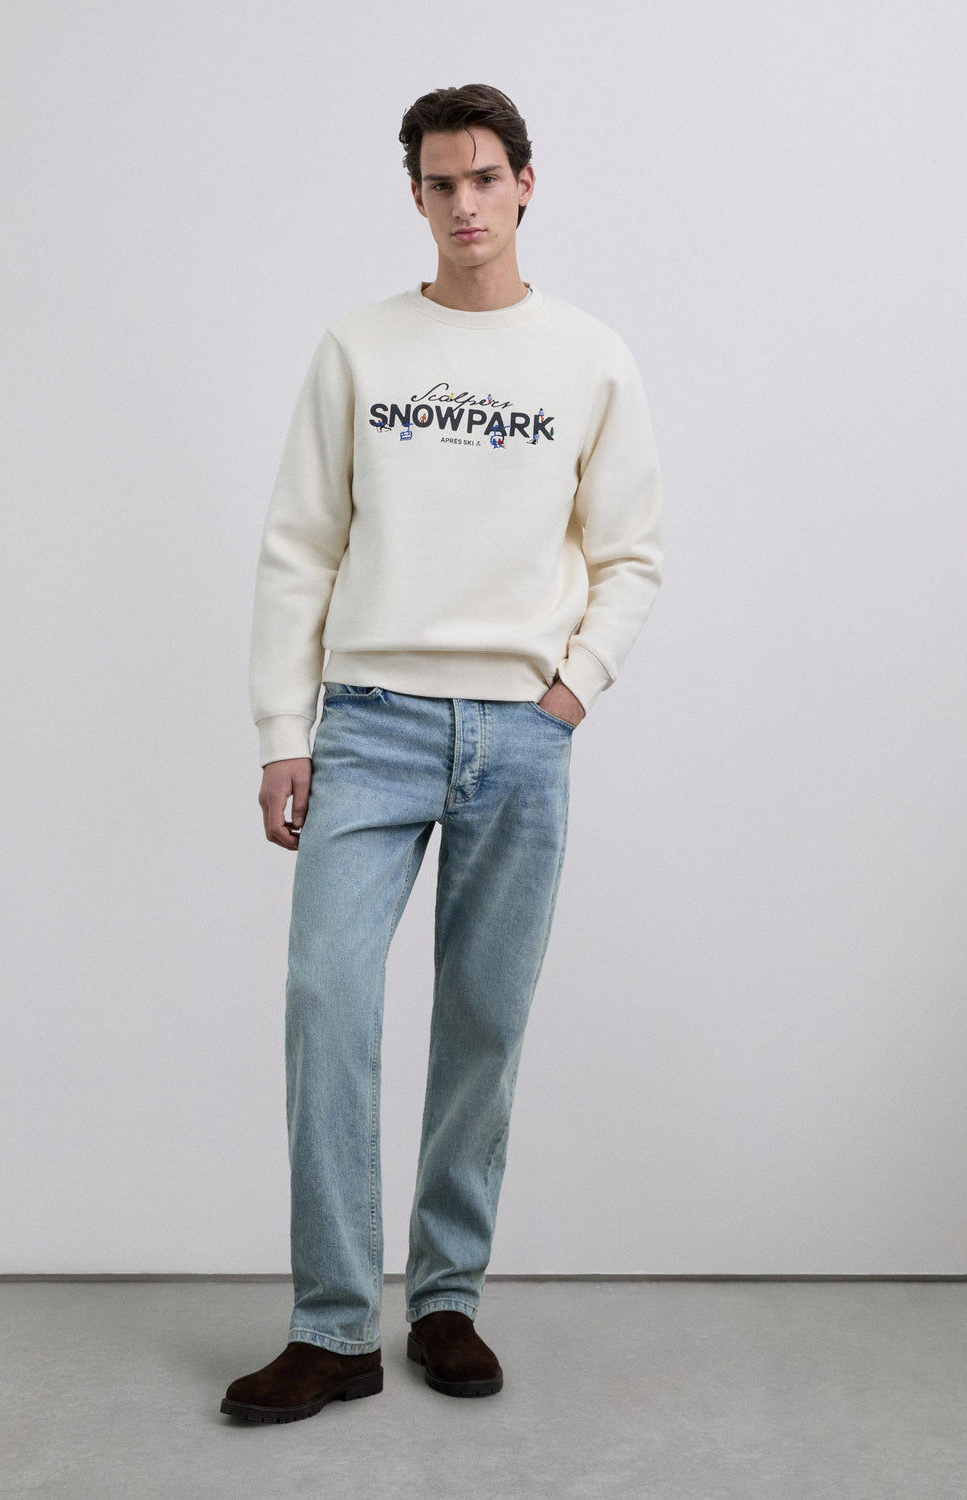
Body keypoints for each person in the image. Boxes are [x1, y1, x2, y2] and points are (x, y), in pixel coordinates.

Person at [221, 82, 663, 1425]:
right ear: (414, 195)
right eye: (438, 182)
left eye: (483, 177)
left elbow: (631, 555)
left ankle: (446, 1300)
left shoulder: (588, 358)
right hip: (368, 721)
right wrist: (283, 730)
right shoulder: (359, 349)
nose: (464, 203)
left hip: (520, 735)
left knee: (483, 1021)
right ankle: (332, 1327)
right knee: (326, 1002)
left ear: (525, 181)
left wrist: (568, 694)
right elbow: (300, 545)